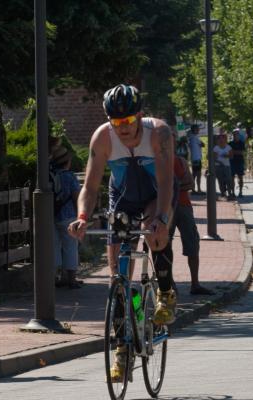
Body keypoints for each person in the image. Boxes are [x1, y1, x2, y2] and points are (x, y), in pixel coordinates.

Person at [67, 84, 176, 379]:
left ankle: (166, 292)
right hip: (123, 199)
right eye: (117, 122)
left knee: (153, 232)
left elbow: (166, 183)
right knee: (117, 278)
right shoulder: (103, 137)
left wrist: (161, 218)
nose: (123, 128)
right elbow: (90, 187)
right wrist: (82, 217)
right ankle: (122, 351)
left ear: (139, 115)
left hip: (156, 194)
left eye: (128, 120)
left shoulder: (159, 133)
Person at [170, 154, 214, 296]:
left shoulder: (181, 161)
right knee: (164, 246)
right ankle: (169, 284)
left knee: (193, 244)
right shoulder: (156, 160)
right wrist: (179, 184)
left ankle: (195, 284)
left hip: (184, 206)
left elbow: (190, 184)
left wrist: (172, 185)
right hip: (166, 209)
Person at [50, 139, 82, 289]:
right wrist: (81, 215)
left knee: (55, 247)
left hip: (51, 215)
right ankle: (71, 279)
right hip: (68, 216)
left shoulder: (49, 175)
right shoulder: (70, 176)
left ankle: (55, 277)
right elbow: (76, 196)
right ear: (66, 162)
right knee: (70, 246)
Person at [212, 133, 233, 198]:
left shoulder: (228, 147)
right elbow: (214, 158)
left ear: (225, 139)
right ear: (218, 140)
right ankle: (223, 193)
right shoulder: (216, 148)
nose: (221, 140)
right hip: (218, 166)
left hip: (227, 166)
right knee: (221, 180)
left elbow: (231, 156)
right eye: (219, 139)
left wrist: (227, 155)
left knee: (228, 180)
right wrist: (219, 162)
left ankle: (229, 193)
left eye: (222, 138)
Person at [188, 124, 205, 194]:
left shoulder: (191, 137)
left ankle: (193, 189)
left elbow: (202, 144)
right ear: (194, 130)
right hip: (196, 158)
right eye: (197, 129)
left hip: (194, 158)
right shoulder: (194, 137)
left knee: (195, 174)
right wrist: (201, 143)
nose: (199, 130)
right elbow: (203, 144)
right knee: (197, 174)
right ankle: (197, 189)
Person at [229, 128, 246, 198]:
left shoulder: (241, 143)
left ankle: (240, 192)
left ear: (238, 135)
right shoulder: (230, 143)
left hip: (240, 162)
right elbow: (229, 153)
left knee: (240, 177)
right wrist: (235, 152)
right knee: (231, 178)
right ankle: (232, 192)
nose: (235, 136)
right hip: (232, 162)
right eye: (234, 134)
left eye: (236, 134)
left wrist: (233, 152)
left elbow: (241, 152)